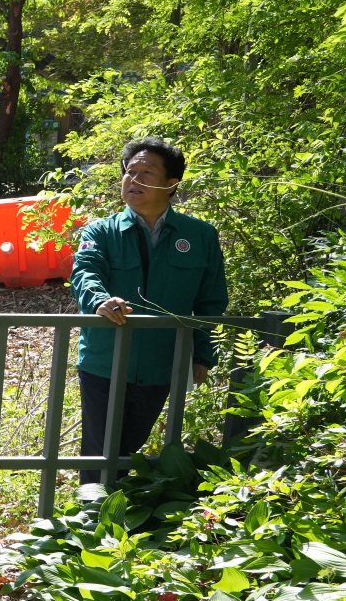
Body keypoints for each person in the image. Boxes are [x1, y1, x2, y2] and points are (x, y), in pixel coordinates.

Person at [70, 137, 228, 490]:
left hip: (162, 361)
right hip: (104, 360)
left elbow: (210, 300)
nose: (134, 179)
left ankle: (118, 515)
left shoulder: (199, 235)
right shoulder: (101, 231)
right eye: (130, 172)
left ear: (172, 183)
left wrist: (202, 354)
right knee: (100, 449)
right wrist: (100, 299)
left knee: (130, 445)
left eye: (147, 172)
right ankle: (92, 519)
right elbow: (84, 273)